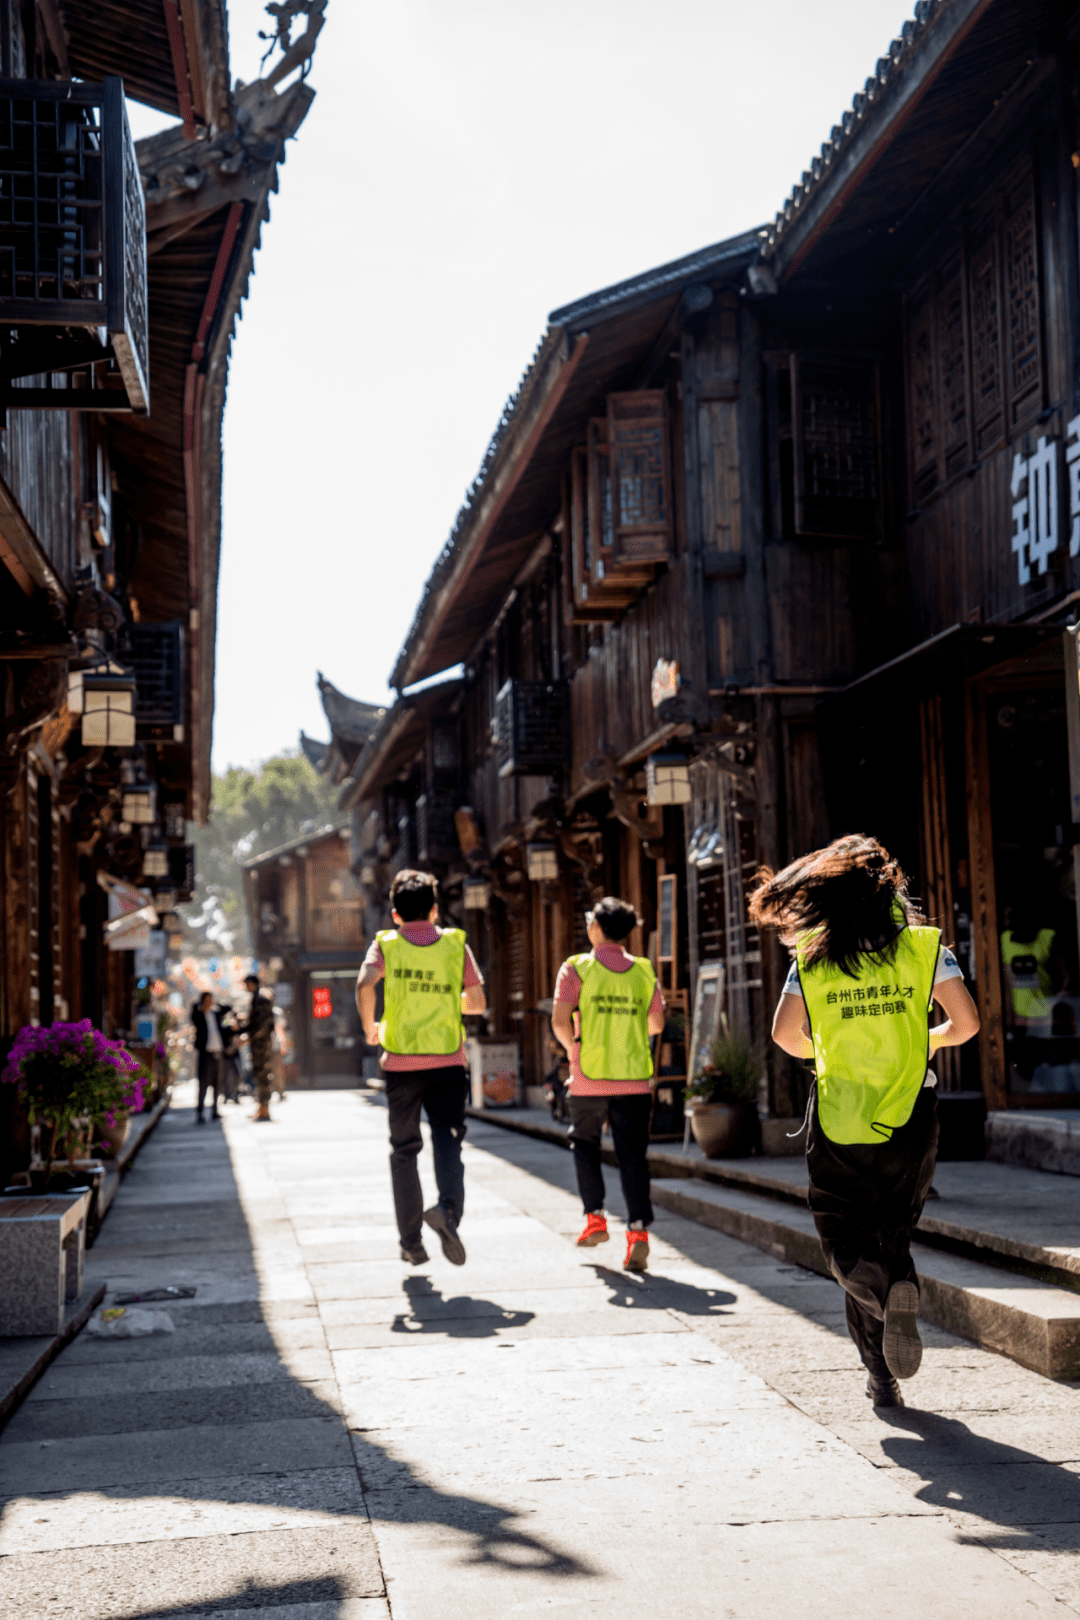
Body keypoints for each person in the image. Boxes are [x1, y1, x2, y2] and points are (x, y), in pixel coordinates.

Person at [750, 834, 979, 1409]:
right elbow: (967, 1024)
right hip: (912, 1117)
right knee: (890, 1237)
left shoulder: (812, 957)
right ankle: (881, 1377)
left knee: (846, 1245)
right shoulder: (928, 947)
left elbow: (784, 1035)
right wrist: (923, 1042)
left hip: (840, 1118)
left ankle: (890, 1309)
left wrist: (831, 1054)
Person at [356, 869, 486, 1267]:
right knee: (448, 1142)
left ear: (395, 914)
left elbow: (364, 985)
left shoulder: (386, 945)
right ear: (434, 910)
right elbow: (478, 1002)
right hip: (447, 1061)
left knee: (404, 1151)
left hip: (400, 1064)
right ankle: (447, 1212)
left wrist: (370, 1030)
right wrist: (451, 1004)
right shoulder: (453, 945)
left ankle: (411, 1243)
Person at [551, 896, 666, 1274]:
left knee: (585, 1144)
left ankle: (596, 1220)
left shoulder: (577, 968)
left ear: (596, 928)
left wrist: (574, 1050)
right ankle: (637, 1234)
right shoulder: (644, 971)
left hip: (589, 1079)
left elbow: (559, 1019)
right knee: (632, 1156)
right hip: (633, 1078)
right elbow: (656, 1025)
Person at [242, 974, 276, 1122]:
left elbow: (262, 1025)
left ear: (252, 983)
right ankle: (261, 1108)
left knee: (262, 1075)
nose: (246, 987)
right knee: (259, 1074)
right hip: (258, 1044)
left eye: (247, 984)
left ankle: (264, 1109)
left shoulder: (261, 998)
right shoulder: (258, 997)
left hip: (261, 1045)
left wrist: (250, 1037)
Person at [191, 990, 223, 1124]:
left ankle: (215, 1110)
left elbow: (227, 1008)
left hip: (217, 1052)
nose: (209, 1002)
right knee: (203, 1084)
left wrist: (216, 1003)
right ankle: (200, 1112)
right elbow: (192, 1012)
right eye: (206, 1000)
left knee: (217, 1083)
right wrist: (200, 1005)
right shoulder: (198, 1016)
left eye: (211, 1000)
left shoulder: (215, 1014)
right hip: (205, 1053)